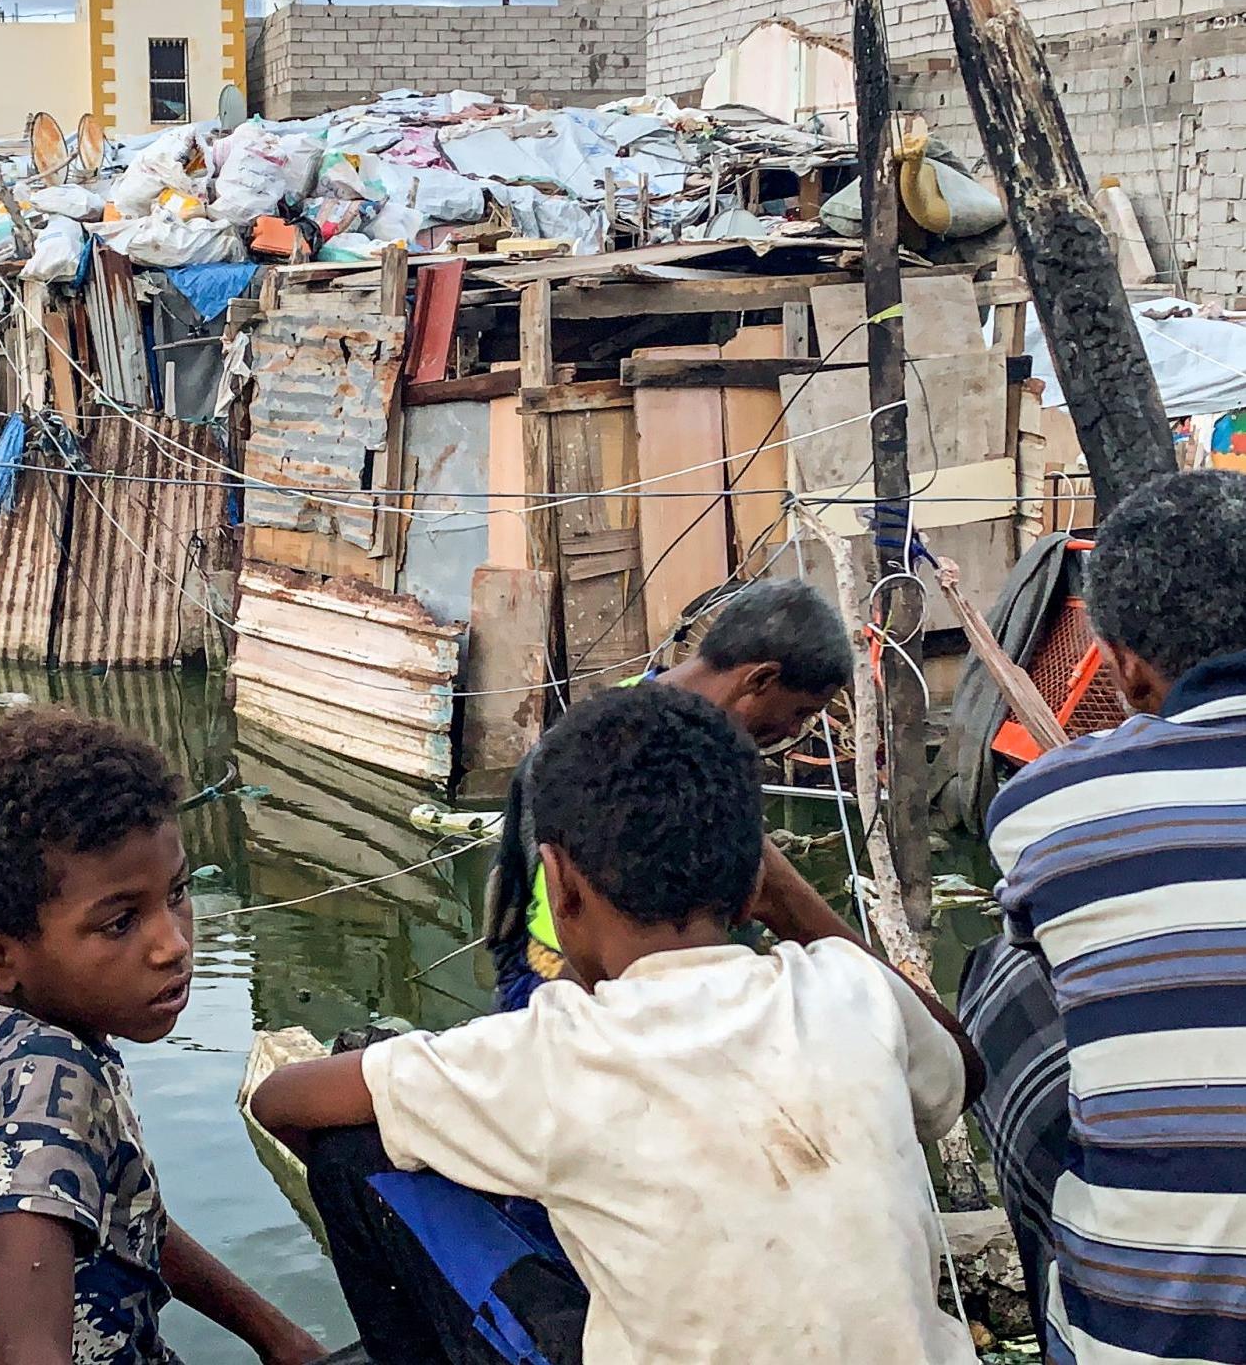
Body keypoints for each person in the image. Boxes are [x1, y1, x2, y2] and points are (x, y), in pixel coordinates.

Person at [254, 683, 984, 1365]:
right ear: (753, 877)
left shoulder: (551, 1054)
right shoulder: (846, 986)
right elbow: (960, 1071)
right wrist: (791, 904)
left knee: (353, 1152)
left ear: (559, 880)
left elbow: (281, 1100)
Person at [0, 707, 322, 1365]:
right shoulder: (44, 1081)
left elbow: (122, 1214)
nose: (173, 944)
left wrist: (275, 1337)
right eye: (120, 923)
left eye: (176, 893)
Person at [978, 469, 1246, 1364]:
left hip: (1147, 1343)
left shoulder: (1050, 800)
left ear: (1125, 668)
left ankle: (1078, 1263)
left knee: (1004, 973)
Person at [486, 577, 853, 1009]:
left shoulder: (710, 744)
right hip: (570, 983)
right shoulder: (599, 750)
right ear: (761, 680)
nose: (794, 731)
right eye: (800, 713)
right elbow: (556, 926)